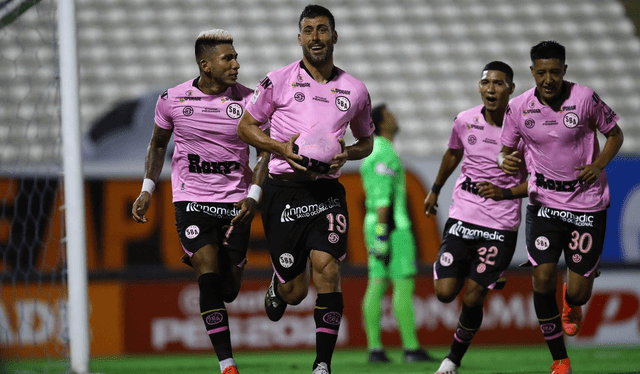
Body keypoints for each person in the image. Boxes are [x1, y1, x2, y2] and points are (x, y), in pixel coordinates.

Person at [236, 5, 374, 374]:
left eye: (323, 29)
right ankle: (278, 286)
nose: (316, 37)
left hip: (326, 191)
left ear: (334, 36)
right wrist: (281, 149)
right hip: (283, 191)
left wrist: (346, 153)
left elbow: (367, 142)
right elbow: (246, 127)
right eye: (309, 30)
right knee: (295, 292)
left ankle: (322, 365)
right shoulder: (277, 80)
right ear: (299, 38)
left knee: (327, 267)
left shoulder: (355, 90)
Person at [131, 29, 269, 374]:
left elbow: (264, 152)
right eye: (228, 58)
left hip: (236, 203)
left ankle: (217, 260)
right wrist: (148, 188)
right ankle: (227, 365)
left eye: (235, 56)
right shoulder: (173, 99)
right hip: (191, 201)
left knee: (229, 289)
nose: (236, 63)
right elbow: (158, 144)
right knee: (206, 275)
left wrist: (253, 196)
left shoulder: (251, 102)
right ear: (206, 65)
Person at [499, 41, 624, 374]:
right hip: (544, 203)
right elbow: (505, 150)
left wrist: (598, 165)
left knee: (581, 294)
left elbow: (615, 134)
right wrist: (507, 162)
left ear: (564, 70)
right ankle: (559, 359)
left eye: (555, 71)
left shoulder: (584, 99)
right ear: (532, 72)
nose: (548, 79)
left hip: (586, 203)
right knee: (541, 279)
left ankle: (574, 299)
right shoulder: (518, 107)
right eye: (541, 72)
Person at [424, 61, 528, 374]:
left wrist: (507, 192)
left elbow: (537, 179)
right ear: (480, 86)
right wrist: (434, 190)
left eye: (499, 83)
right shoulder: (465, 120)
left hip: (500, 223)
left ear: (510, 88)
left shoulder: (524, 130)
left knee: (474, 295)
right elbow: (453, 153)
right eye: (486, 83)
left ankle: (452, 360)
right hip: (463, 214)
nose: (491, 89)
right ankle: (472, 266)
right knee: (444, 294)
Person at [359, 104, 434, 364]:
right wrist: (382, 235)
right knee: (402, 285)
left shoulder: (375, 151)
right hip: (393, 228)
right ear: (379, 123)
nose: (395, 117)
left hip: (378, 226)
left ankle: (375, 349)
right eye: (389, 114)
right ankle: (411, 348)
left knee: (377, 283)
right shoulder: (384, 152)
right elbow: (383, 199)